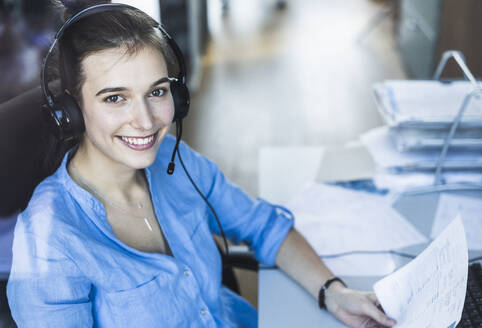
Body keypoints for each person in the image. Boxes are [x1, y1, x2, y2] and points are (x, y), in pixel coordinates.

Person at [6, 1, 397, 327]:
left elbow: (263, 226)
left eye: (156, 92)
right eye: (115, 98)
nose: (145, 121)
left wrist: (334, 292)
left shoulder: (176, 162)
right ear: (71, 110)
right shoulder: (50, 245)